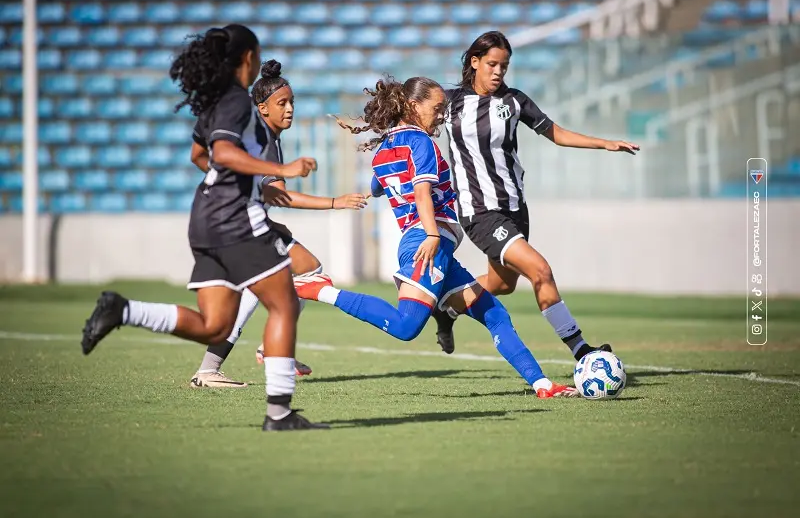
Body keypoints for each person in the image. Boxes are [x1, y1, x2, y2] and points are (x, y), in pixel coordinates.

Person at [80, 24, 328, 431]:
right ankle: (280, 414)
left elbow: (201, 154)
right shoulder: (236, 103)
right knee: (284, 302)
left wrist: (226, 180)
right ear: (247, 58)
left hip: (204, 216)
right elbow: (225, 152)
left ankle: (122, 309)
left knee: (215, 325)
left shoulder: (215, 102)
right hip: (234, 219)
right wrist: (279, 170)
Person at [299, 76, 578, 398]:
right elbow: (421, 191)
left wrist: (373, 190)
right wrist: (432, 233)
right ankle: (321, 290)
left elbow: (379, 185)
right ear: (412, 105)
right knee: (406, 326)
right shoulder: (421, 142)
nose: (442, 114)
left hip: (434, 245)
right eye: (437, 108)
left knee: (494, 313)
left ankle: (542, 385)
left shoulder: (384, 149)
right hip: (427, 243)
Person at [431, 31, 640, 360]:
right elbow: (413, 115)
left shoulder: (514, 101)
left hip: (515, 209)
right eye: (492, 64)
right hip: (480, 212)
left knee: (502, 286)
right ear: (475, 62)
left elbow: (554, 132)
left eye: (505, 65)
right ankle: (582, 350)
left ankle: (447, 307)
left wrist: (604, 142)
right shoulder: (451, 102)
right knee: (540, 270)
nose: (499, 71)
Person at [187, 59, 368, 388]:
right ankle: (235, 362)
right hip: (239, 223)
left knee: (282, 278)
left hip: (224, 220)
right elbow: (276, 195)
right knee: (304, 272)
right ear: (262, 107)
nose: (289, 110)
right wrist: (334, 202)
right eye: (282, 103)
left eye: (292, 103)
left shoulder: (238, 124)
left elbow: (198, 155)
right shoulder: (262, 140)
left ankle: (228, 362)